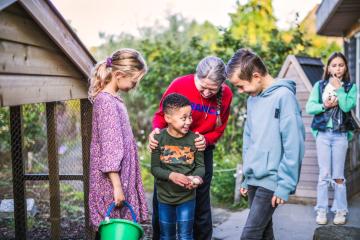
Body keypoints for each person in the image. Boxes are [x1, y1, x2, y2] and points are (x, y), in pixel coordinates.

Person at [148, 56, 233, 240]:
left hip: (201, 152)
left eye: (213, 89)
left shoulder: (226, 95)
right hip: (171, 149)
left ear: (221, 85)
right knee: (162, 200)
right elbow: (162, 116)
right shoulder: (180, 84)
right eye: (203, 87)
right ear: (196, 75)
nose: (207, 92)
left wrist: (207, 140)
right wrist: (155, 131)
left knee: (200, 203)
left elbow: (219, 128)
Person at [226, 48, 305, 239]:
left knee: (250, 235)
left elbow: (294, 144)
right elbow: (249, 141)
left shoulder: (284, 97)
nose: (240, 91)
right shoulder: (252, 100)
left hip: (273, 179)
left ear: (256, 76)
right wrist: (246, 176)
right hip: (254, 178)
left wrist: (285, 183)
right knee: (264, 233)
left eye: (240, 86)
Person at [88, 49, 149, 238]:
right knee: (112, 228)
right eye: (134, 80)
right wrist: (117, 187)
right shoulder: (106, 102)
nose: (135, 85)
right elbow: (110, 147)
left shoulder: (114, 100)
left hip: (122, 177)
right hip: (111, 182)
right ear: (119, 75)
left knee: (119, 226)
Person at [306, 52, 357, 225]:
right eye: (334, 65)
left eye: (341, 65)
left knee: (338, 175)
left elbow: (347, 106)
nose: (337, 68)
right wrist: (324, 105)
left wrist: (339, 88)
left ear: (345, 68)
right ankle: (321, 210)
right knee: (324, 174)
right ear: (328, 68)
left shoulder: (350, 87)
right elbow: (310, 107)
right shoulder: (319, 86)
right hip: (323, 134)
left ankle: (340, 211)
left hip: (340, 135)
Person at [151, 93, 205, 240]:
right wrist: (172, 176)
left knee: (186, 236)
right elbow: (155, 168)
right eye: (183, 118)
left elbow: (200, 167)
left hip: (187, 198)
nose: (188, 121)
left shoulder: (196, 140)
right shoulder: (158, 139)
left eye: (190, 117)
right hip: (164, 198)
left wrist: (196, 178)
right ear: (168, 118)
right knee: (166, 236)